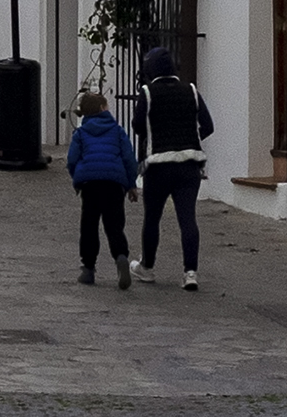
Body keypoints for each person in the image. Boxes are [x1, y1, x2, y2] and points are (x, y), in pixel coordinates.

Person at [132, 41, 212, 285]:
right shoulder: (191, 90)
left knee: (152, 218)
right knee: (187, 219)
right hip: (189, 165)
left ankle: (147, 267)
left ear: (150, 71)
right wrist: (189, 138)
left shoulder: (147, 93)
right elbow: (208, 126)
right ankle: (190, 273)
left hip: (158, 166)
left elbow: (137, 126)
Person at [66, 83, 140, 286]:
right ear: (101, 109)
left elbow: (72, 159)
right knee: (114, 225)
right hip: (113, 184)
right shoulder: (117, 131)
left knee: (89, 226)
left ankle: (88, 268)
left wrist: (77, 178)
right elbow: (128, 159)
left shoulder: (80, 134)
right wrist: (131, 184)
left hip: (90, 184)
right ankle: (121, 256)